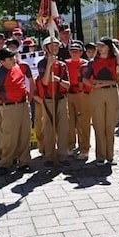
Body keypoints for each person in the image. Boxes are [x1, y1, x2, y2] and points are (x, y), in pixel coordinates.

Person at [0, 49, 31, 176]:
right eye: (10, 59)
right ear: (2, 61)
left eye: (13, 57)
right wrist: (0, 95)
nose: (13, 60)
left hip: (23, 104)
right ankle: (5, 163)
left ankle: (24, 162)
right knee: (9, 137)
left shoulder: (16, 66)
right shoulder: (0, 72)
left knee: (25, 134)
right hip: (9, 107)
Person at [83, 37, 119, 165]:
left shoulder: (114, 60)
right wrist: (93, 85)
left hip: (112, 92)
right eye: (99, 46)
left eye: (103, 45)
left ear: (109, 47)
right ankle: (100, 156)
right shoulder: (92, 62)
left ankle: (110, 156)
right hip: (97, 93)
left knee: (110, 125)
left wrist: (114, 46)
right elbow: (85, 79)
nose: (100, 48)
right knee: (98, 124)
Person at [37, 37, 72, 167]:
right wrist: (49, 65)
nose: (55, 48)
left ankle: (63, 155)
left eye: (56, 46)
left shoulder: (62, 65)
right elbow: (45, 82)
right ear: (45, 48)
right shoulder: (42, 63)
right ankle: (49, 156)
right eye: (51, 46)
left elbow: (68, 85)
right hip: (48, 99)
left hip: (61, 99)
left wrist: (58, 80)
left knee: (63, 127)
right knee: (48, 127)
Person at [65, 41, 91, 160]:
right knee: (69, 122)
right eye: (72, 51)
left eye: (77, 51)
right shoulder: (65, 64)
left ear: (81, 52)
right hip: (68, 93)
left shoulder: (86, 64)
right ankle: (70, 145)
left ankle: (84, 148)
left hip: (82, 94)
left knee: (83, 122)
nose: (74, 53)